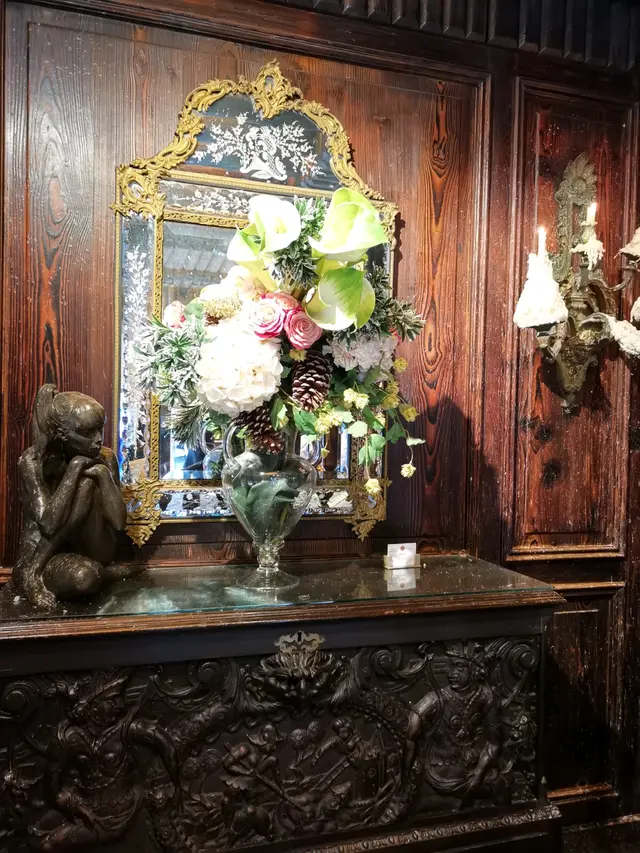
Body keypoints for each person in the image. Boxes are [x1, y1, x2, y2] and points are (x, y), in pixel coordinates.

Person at [13, 384, 139, 608]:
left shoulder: (105, 458)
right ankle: (37, 573)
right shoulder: (33, 462)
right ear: (62, 434)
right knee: (85, 577)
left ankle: (103, 572)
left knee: (88, 484)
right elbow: (48, 525)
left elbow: (119, 523)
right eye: (87, 433)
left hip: (88, 551)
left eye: (100, 429)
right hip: (41, 555)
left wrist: (103, 474)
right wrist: (75, 468)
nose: (98, 439)